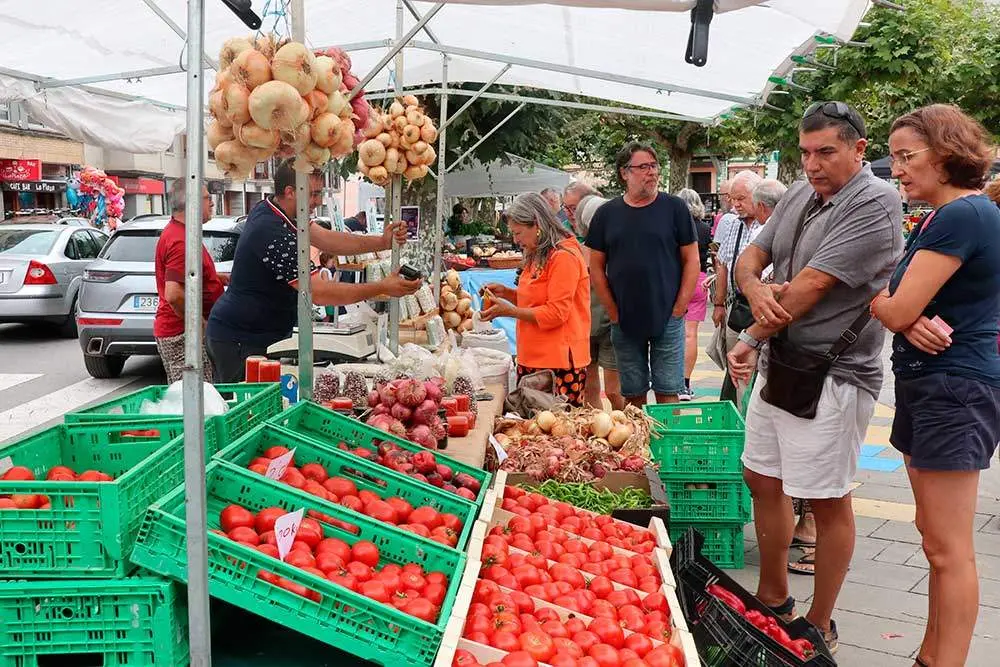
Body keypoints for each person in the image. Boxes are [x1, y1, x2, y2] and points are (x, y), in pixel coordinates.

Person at [727, 101, 903, 653]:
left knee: (826, 500)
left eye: (826, 151)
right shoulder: (801, 193)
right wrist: (756, 289)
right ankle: (774, 595)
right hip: (784, 363)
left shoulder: (876, 202)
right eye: (806, 153)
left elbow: (810, 287)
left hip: (834, 372)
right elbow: (751, 257)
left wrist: (751, 333)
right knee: (762, 478)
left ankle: (820, 621)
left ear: (858, 149)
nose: (813, 164)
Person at [870, 104, 1000, 667]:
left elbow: (895, 307)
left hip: (954, 388)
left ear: (946, 154)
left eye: (906, 156)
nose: (896, 169)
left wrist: (885, 304)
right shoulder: (949, 217)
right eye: (894, 157)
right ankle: (930, 655)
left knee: (949, 549)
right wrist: (901, 311)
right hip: (934, 385)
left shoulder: (962, 216)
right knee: (933, 539)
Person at [207, 161, 421, 381]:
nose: (318, 201)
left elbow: (328, 239)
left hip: (262, 334)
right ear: (290, 192)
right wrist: (382, 287)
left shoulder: (281, 211)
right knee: (248, 409)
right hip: (240, 340)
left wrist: (381, 242)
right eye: (314, 194)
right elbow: (319, 292)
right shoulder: (272, 232)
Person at [587, 142, 700, 406]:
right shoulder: (607, 214)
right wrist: (613, 312)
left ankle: (667, 445)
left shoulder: (675, 209)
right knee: (632, 393)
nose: (651, 173)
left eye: (654, 166)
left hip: (668, 317)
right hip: (624, 319)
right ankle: (639, 445)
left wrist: (680, 307)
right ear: (624, 173)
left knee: (669, 390)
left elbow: (692, 259)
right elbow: (595, 268)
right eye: (642, 167)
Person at [481, 193, 591, 406]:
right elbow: (536, 300)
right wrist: (507, 293)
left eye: (518, 232)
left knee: (557, 432)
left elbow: (556, 314)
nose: (516, 240)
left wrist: (509, 311)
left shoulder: (563, 257)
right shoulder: (538, 254)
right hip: (533, 358)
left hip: (557, 365)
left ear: (537, 225)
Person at [154, 181, 227, 384]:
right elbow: (174, 294)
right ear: (192, 203)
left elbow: (189, 277)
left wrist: (216, 278)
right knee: (194, 398)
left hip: (182, 330)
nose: (212, 203)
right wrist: (198, 324)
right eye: (207, 198)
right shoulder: (180, 240)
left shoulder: (183, 234)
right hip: (182, 333)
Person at [713, 171, 764, 403]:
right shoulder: (733, 224)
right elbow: (722, 264)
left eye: (741, 199)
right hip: (738, 308)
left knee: (759, 370)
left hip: (762, 307)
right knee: (737, 366)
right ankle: (741, 417)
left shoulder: (769, 225)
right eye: (733, 199)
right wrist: (719, 303)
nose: (736, 205)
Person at [576, 194, 624, 411]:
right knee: (589, 388)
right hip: (584, 327)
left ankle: (626, 427)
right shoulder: (579, 251)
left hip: (611, 325)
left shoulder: (619, 248)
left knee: (614, 391)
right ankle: (598, 431)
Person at [676, 188, 712, 401]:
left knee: (671, 333)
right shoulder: (705, 228)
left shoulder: (674, 228)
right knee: (691, 334)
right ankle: (685, 385)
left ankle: (669, 379)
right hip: (699, 281)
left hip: (677, 281)